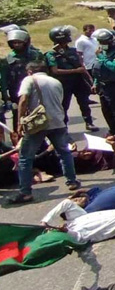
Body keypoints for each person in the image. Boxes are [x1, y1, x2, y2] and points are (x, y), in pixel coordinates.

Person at [7, 61, 80, 204]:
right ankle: (72, 181)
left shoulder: (29, 80)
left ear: (29, 71)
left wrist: (20, 122)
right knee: (64, 152)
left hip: (39, 123)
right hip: (58, 121)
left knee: (25, 158)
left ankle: (25, 192)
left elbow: (23, 100)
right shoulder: (55, 81)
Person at [45, 26, 98, 131]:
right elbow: (55, 71)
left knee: (84, 102)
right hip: (64, 82)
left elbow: (81, 66)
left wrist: (90, 81)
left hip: (78, 81)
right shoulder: (52, 54)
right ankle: (63, 125)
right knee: (64, 105)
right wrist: (75, 71)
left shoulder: (73, 51)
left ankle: (89, 122)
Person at [1, 29, 44, 130]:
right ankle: (19, 135)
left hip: (36, 88)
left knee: (39, 112)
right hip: (16, 91)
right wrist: (5, 96)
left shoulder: (36, 55)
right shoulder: (8, 59)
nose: (16, 45)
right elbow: (3, 79)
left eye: (19, 42)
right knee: (18, 114)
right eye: (14, 43)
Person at [91, 28, 115, 136]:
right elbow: (99, 69)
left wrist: (101, 57)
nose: (102, 45)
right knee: (106, 110)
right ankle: (112, 130)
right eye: (100, 42)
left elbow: (114, 67)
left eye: (104, 43)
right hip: (103, 86)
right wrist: (95, 83)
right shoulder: (103, 52)